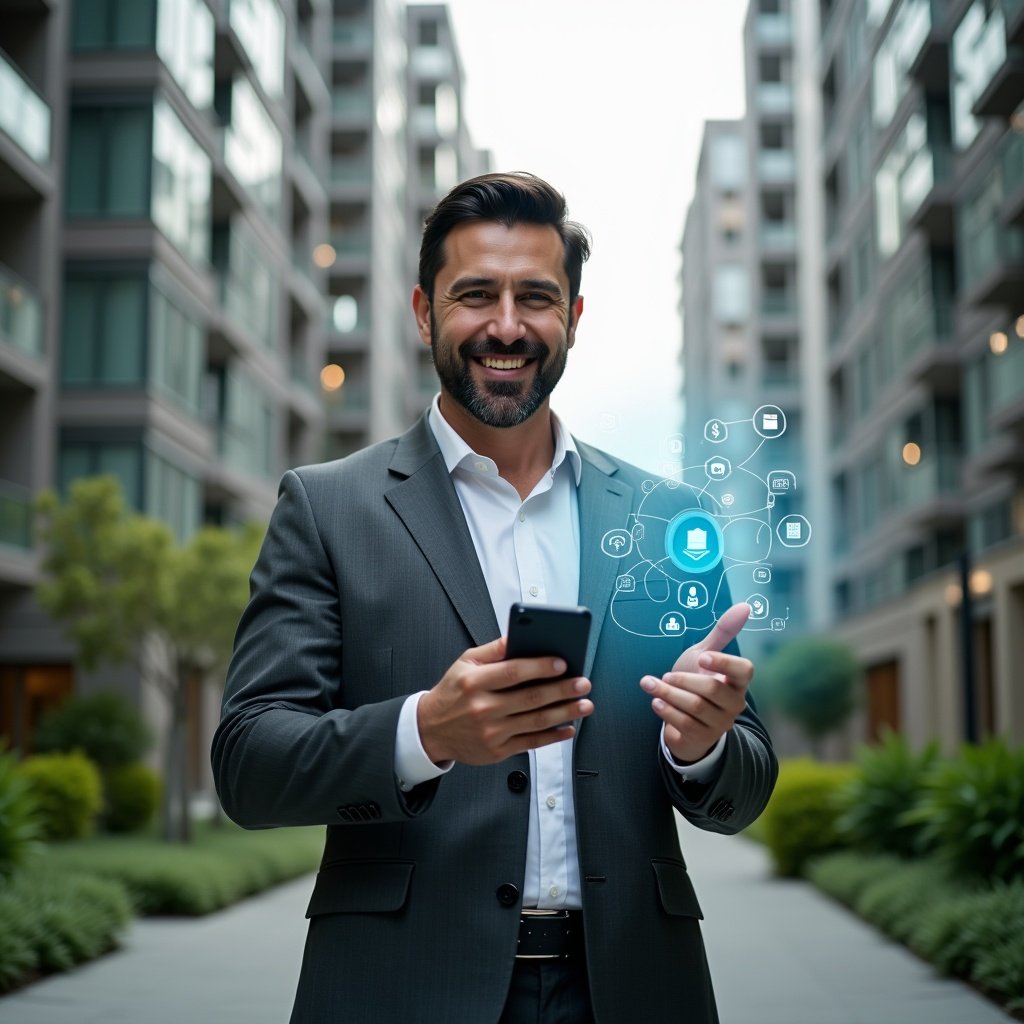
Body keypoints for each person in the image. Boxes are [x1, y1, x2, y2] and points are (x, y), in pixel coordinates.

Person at [212, 171, 778, 1024]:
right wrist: (425, 733)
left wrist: (703, 748)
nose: (507, 326)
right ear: (423, 312)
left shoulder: (668, 520)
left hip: (633, 989)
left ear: (573, 319)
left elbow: (748, 781)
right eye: (476, 294)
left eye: (536, 298)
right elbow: (249, 764)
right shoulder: (327, 508)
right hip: (400, 991)